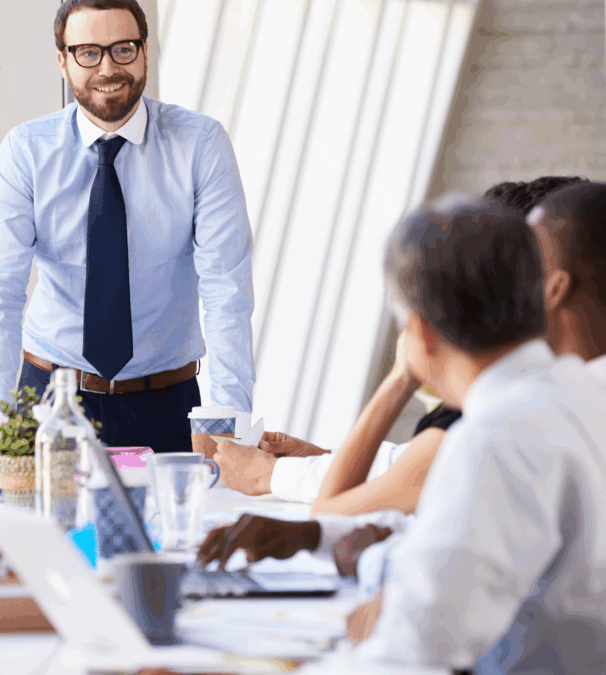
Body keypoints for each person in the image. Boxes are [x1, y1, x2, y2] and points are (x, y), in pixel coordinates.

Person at [201, 196, 606, 673]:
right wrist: (316, 535)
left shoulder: (498, 439)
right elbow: (453, 533)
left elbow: (410, 652)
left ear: (421, 333)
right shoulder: (582, 394)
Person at [0, 0, 254, 454]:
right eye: (88, 52)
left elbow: (227, 292)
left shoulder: (200, 145)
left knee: (180, 525)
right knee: (43, 526)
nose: (107, 67)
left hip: (167, 404)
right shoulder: (26, 151)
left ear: (144, 52)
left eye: (123, 49)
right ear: (63, 60)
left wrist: (227, 428)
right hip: (49, 400)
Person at [214, 176, 588, 513]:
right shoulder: (560, 391)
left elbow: (345, 508)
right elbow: (408, 469)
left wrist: (276, 475)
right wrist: (321, 458)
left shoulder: (492, 427)